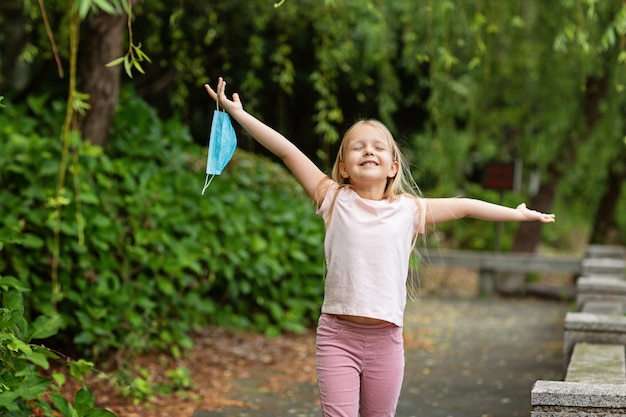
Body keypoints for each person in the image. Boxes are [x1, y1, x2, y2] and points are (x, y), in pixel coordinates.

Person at [204, 77, 555, 417]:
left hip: (386, 342)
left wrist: (516, 213)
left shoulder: (409, 210)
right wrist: (238, 114)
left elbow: (465, 205)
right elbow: (287, 150)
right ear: (343, 167)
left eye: (378, 147)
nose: (368, 150)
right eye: (357, 147)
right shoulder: (333, 198)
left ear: (393, 167)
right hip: (337, 336)